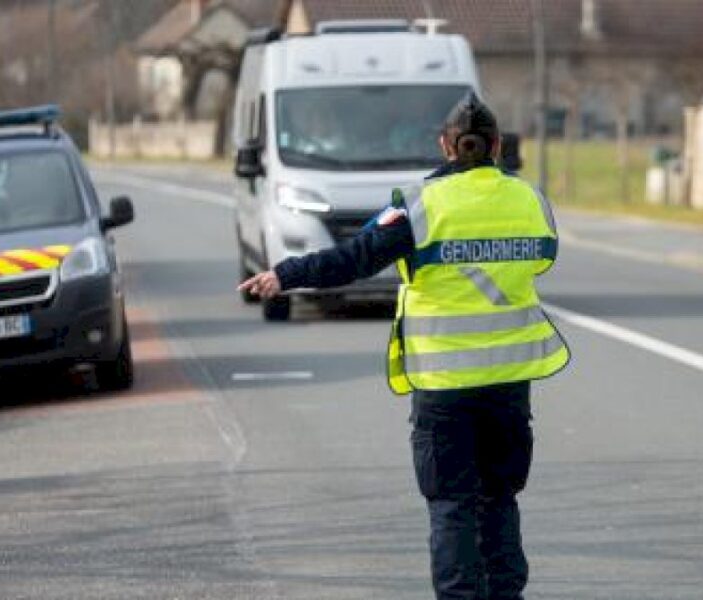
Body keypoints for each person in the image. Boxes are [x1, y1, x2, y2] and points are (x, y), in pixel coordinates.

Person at [238, 93, 570, 600]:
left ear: (445, 146)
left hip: (444, 387)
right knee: (499, 499)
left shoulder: (418, 207)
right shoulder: (531, 200)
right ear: (499, 146)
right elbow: (544, 259)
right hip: (509, 383)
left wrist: (284, 274)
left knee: (453, 505)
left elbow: (352, 261)